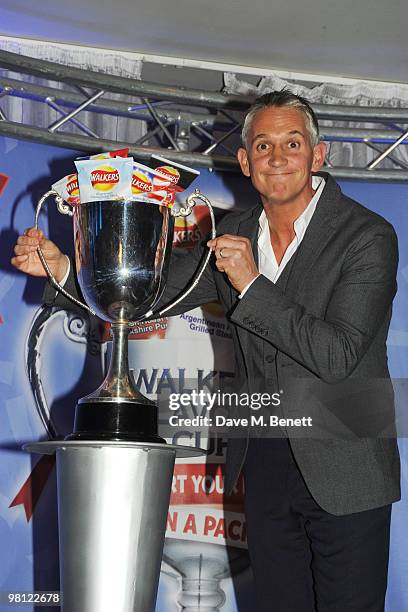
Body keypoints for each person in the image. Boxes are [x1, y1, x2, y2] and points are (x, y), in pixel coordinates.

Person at [12, 90, 400, 611]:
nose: (278, 157)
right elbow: (151, 295)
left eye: (292, 143)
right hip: (264, 456)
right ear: (244, 161)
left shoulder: (368, 236)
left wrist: (252, 283)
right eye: (263, 146)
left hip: (348, 462)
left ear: (318, 154)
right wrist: (63, 270)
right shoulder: (232, 233)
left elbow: (338, 356)